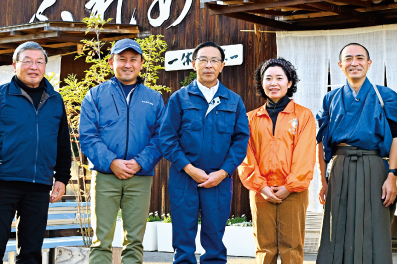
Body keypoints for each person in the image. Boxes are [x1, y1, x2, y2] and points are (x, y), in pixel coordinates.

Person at [0, 41, 72, 264]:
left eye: (39, 62)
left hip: (39, 185)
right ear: (14, 65)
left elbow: (62, 143)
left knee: (31, 252)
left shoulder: (55, 101)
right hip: (3, 182)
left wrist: (62, 178)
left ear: (45, 67)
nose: (33, 67)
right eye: (27, 61)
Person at [159, 41, 250, 264]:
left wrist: (223, 172)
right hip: (184, 177)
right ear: (193, 64)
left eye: (214, 61)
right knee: (183, 240)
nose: (208, 65)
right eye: (203, 60)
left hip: (218, 179)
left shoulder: (233, 101)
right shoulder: (179, 99)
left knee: (215, 240)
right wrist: (189, 169)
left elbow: (240, 141)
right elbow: (167, 139)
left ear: (222, 66)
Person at [316, 43, 397, 264]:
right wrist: (323, 180)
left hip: (374, 166)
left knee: (374, 226)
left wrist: (392, 176)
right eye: (348, 59)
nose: (354, 63)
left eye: (359, 58)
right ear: (340, 65)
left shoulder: (385, 96)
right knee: (337, 228)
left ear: (369, 63)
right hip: (340, 166)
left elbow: (396, 138)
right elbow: (321, 142)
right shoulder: (331, 98)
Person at [79, 38, 165, 264]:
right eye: (121, 59)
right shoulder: (95, 95)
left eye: (133, 60)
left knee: (135, 241)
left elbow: (161, 137)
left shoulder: (154, 98)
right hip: (105, 175)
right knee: (101, 240)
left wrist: (140, 162)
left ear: (141, 63)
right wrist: (111, 162)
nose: (127, 64)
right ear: (111, 62)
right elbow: (88, 136)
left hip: (140, 176)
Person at [238, 58, 316, 264]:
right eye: (268, 78)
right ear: (261, 83)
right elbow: (245, 155)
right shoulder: (250, 118)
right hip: (260, 191)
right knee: (265, 248)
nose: (274, 83)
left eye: (279, 78)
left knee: (292, 247)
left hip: (293, 192)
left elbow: (305, 154)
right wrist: (261, 186)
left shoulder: (304, 116)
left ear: (289, 82)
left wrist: (289, 187)